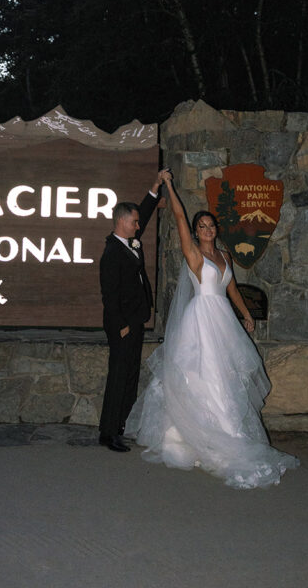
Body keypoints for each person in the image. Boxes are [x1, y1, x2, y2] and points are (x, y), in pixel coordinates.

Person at [125, 170, 299, 487]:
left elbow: (231, 289)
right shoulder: (193, 254)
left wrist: (246, 314)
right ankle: (196, 436)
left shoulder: (224, 256)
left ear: (216, 229)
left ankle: (229, 430)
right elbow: (178, 215)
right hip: (200, 321)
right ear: (195, 231)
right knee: (201, 376)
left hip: (223, 320)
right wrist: (170, 187)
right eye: (201, 226)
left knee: (226, 376)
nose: (207, 229)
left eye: (211, 225)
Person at [98, 171, 166, 452]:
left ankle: (120, 426)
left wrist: (154, 190)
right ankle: (108, 432)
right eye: (134, 222)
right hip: (123, 324)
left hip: (136, 320)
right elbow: (109, 294)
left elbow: (145, 218)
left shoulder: (130, 242)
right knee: (119, 376)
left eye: (138, 222)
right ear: (121, 221)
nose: (139, 226)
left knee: (130, 375)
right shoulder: (112, 252)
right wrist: (121, 324)